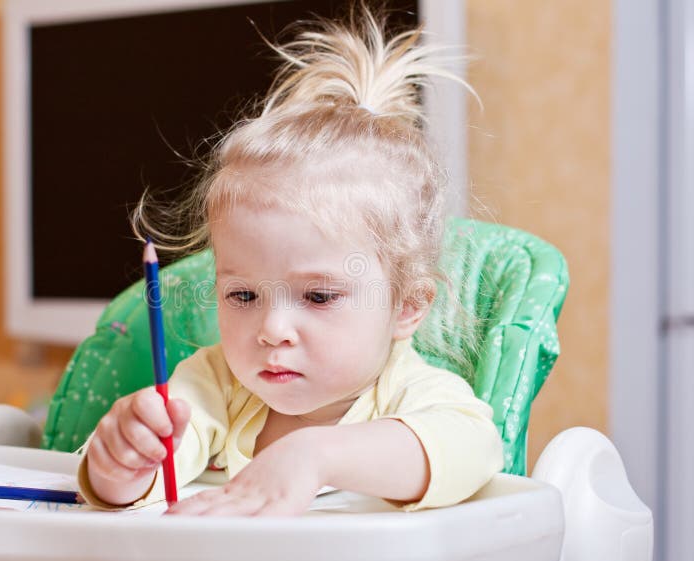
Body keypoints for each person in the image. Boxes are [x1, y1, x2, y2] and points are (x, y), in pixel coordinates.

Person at [77, 5, 504, 516]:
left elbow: (474, 449)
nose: (272, 329)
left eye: (319, 295)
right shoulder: (215, 384)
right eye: (242, 294)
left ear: (408, 305)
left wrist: (315, 454)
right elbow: (134, 489)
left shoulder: (413, 393)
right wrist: (119, 464)